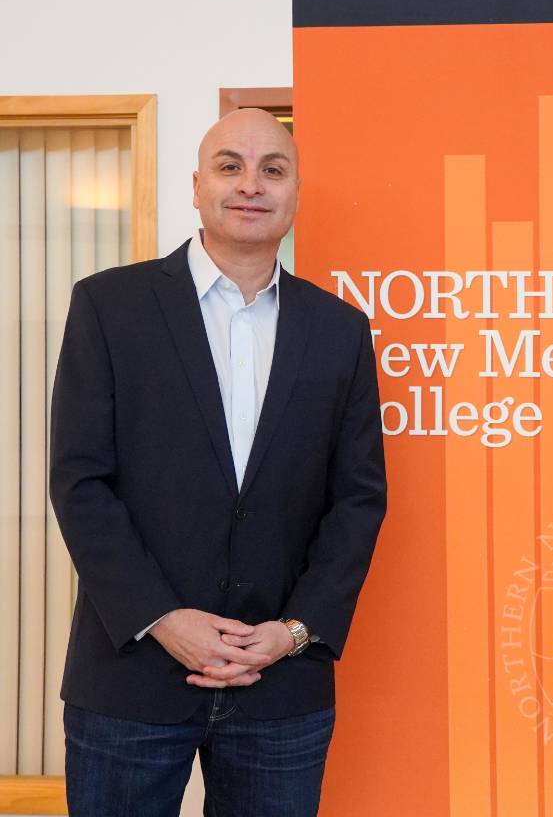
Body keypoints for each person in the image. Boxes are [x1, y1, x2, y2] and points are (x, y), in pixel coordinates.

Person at [49, 108, 387, 816]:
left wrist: (293, 632)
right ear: (196, 186)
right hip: (131, 674)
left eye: (273, 169)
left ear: (296, 194)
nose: (250, 185)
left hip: (281, 685)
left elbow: (357, 499)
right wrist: (164, 617)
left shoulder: (341, 331)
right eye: (230, 166)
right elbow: (81, 481)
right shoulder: (110, 306)